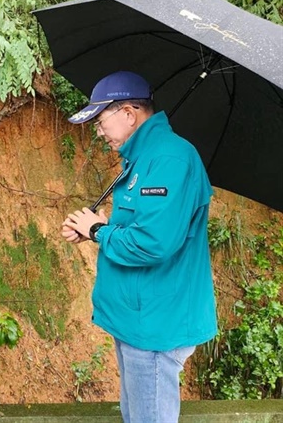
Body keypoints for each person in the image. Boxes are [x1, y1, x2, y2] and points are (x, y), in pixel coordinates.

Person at [61, 71, 217, 423]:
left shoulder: (170, 161)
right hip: (137, 320)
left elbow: (153, 243)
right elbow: (143, 225)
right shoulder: (144, 159)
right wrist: (96, 227)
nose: (99, 132)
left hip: (156, 325)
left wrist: (98, 230)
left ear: (129, 114)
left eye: (101, 122)